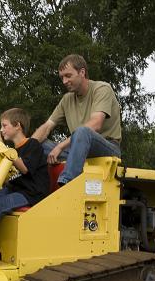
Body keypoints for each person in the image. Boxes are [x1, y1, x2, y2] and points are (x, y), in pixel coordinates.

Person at [31, 54, 122, 186]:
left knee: (83, 131)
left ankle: (67, 182)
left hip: (106, 150)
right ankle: (27, 187)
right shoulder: (67, 99)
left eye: (68, 76)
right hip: (76, 151)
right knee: (39, 145)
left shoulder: (102, 89)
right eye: (62, 77)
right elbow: (47, 126)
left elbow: (95, 124)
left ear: (82, 72)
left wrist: (60, 147)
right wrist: (26, 149)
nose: (64, 81)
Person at [0, 108, 49, 240]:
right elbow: (7, 179)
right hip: (15, 190)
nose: (1, 129)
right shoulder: (13, 150)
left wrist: (4, 148)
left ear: (18, 126)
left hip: (32, 194)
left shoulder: (33, 144)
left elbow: (25, 168)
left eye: (4, 125)